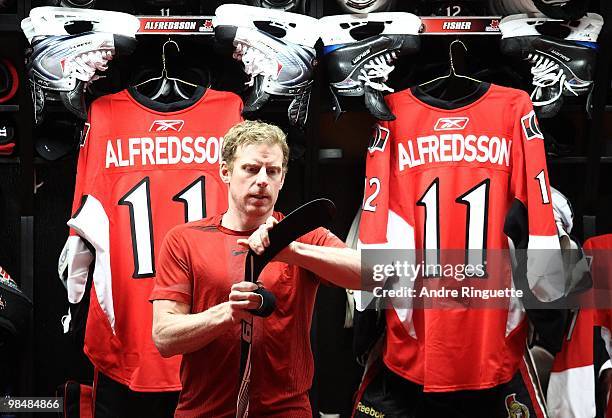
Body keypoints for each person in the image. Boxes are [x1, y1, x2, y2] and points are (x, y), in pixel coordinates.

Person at [149, 120, 361, 417]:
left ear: (283, 179)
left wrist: (292, 251)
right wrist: (228, 313)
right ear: (226, 171)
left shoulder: (303, 236)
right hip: (203, 410)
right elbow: (164, 337)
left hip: (286, 410)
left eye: (272, 171)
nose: (262, 180)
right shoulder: (184, 239)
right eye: (250, 169)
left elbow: (375, 275)